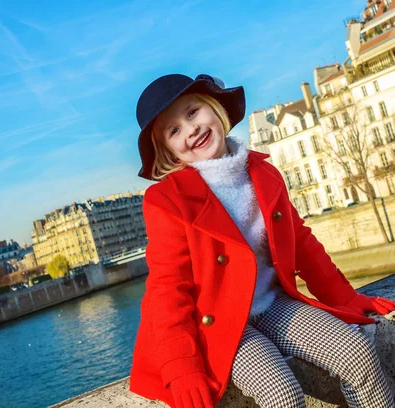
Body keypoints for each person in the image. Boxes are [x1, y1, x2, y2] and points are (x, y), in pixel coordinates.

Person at [128, 73, 395, 408]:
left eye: (192, 112)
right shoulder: (167, 200)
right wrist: (183, 368)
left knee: (358, 354)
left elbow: (300, 242)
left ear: (214, 107)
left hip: (273, 304)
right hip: (219, 325)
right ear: (168, 151)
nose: (190, 129)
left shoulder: (263, 173)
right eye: (174, 130)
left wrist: (345, 297)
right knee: (281, 394)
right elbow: (167, 289)